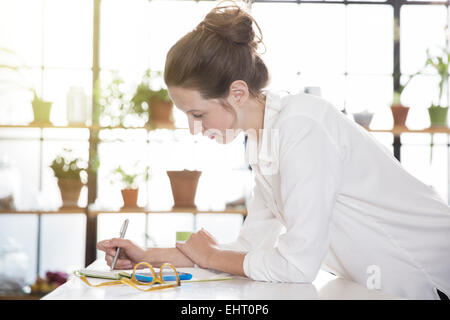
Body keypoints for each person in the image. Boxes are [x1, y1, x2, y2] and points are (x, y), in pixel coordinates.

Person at [97, 1, 450, 300]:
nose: (194, 128)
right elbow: (251, 246)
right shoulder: (265, 139)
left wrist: (213, 256)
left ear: (237, 93)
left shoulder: (302, 128)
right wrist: (148, 256)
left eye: (198, 114)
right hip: (380, 284)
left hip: (431, 281)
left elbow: (296, 265)